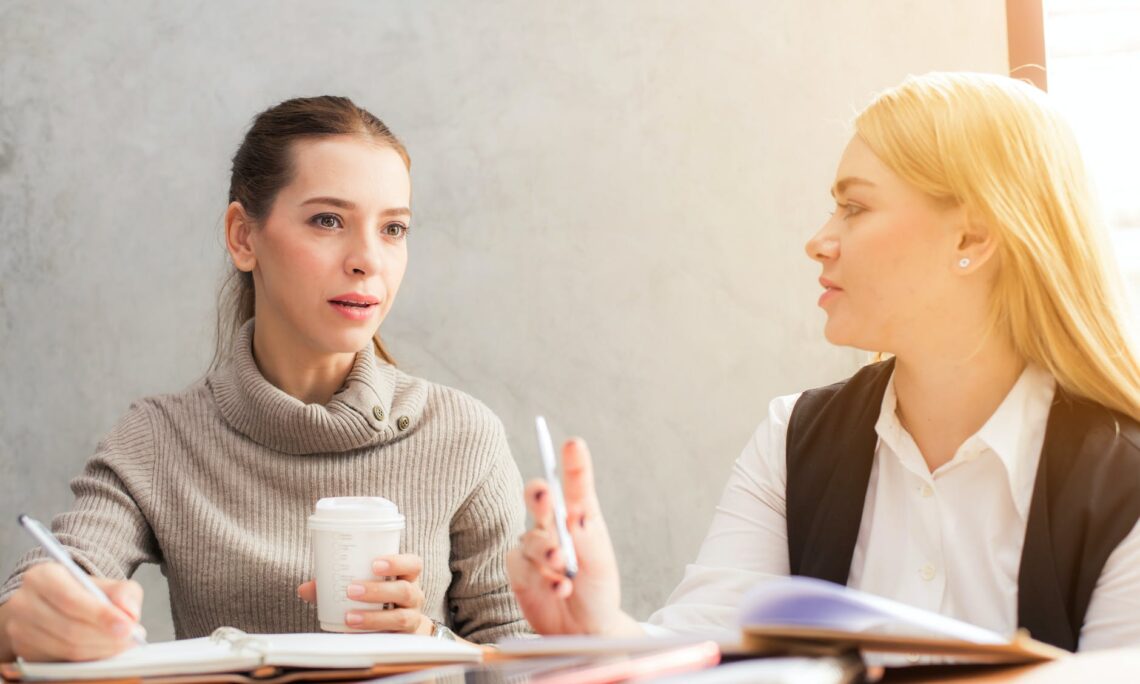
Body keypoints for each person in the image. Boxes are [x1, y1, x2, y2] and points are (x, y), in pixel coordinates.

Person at [507, 72, 1140, 652]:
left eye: (855, 207)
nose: (818, 241)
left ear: (972, 239)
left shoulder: (1122, 480)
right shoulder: (793, 440)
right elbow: (706, 655)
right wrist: (601, 627)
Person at [0, 96, 528, 662]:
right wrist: (27, 622)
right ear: (242, 237)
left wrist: (432, 645)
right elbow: (50, 582)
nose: (368, 259)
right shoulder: (158, 439)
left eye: (393, 228)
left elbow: (529, 658)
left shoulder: (464, 435)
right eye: (328, 220)